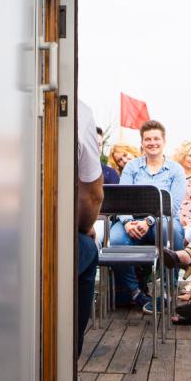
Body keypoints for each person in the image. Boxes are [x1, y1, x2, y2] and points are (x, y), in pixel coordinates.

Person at [107, 120, 187, 313]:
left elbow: (173, 206)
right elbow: (122, 198)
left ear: (164, 141)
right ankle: (135, 292)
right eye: (147, 139)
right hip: (132, 219)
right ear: (142, 142)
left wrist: (149, 221)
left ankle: (167, 292)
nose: (152, 143)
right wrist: (126, 222)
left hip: (162, 219)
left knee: (174, 231)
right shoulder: (132, 167)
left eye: (156, 139)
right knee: (116, 239)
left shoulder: (176, 169)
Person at [76, 102, 105, 361]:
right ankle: (65, 365)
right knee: (87, 248)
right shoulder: (79, 111)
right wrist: (84, 228)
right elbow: (92, 197)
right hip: (43, 239)